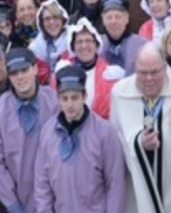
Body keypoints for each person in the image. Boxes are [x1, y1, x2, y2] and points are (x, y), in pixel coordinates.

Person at [109, 43, 171, 213]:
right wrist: (139, 142)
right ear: (135, 69)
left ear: (165, 68)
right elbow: (115, 144)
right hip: (135, 189)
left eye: (155, 72)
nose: (149, 78)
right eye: (143, 73)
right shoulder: (120, 93)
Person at [34, 65, 127, 213]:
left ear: (84, 96)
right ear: (58, 98)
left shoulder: (105, 133)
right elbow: (42, 183)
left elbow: (115, 184)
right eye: (64, 98)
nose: (70, 104)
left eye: (75, 97)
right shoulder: (47, 132)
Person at [0, 47, 59, 213]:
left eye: (24, 70)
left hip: (55, 198)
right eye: (14, 73)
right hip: (18, 200)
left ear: (35, 69)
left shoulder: (55, 102)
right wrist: (12, 204)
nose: (20, 77)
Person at [99, 0, 148, 76]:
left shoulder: (142, 46)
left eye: (118, 17)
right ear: (103, 20)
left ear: (127, 19)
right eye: (109, 17)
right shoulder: (97, 45)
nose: (113, 21)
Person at [29, 0, 71, 73]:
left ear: (63, 19)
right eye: (47, 19)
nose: (52, 22)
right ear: (41, 23)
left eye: (55, 17)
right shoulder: (36, 46)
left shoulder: (73, 37)